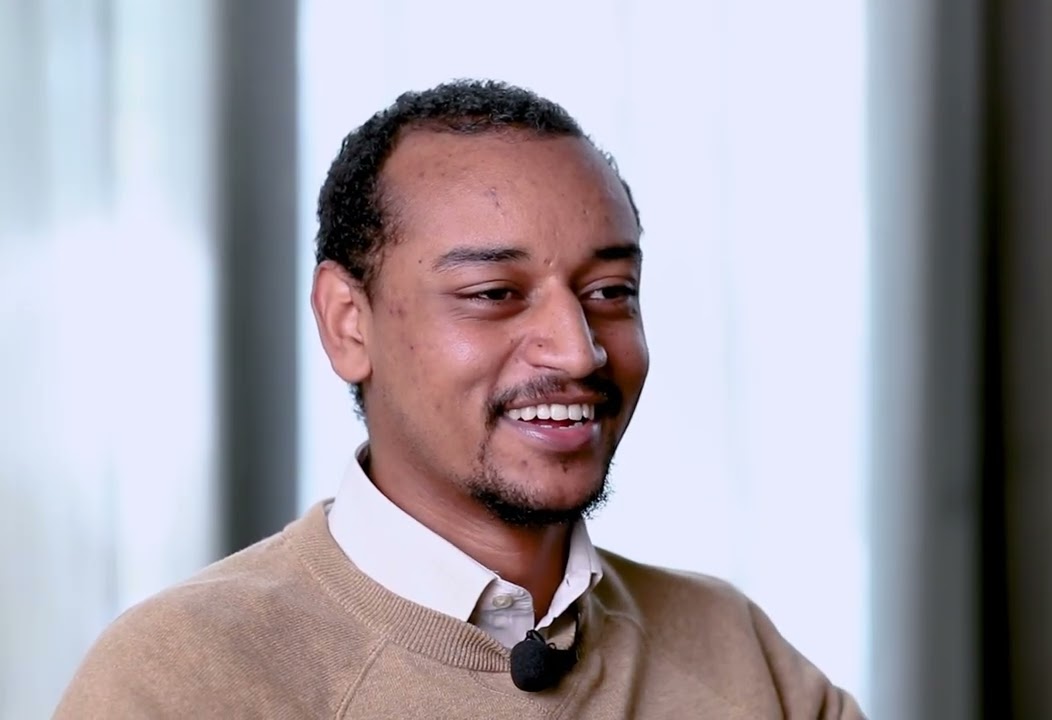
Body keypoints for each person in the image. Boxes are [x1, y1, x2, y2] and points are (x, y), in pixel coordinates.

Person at [55, 79, 864, 719]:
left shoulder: (737, 656)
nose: (578, 349)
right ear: (348, 323)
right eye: (493, 293)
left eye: (611, 291)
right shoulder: (183, 679)